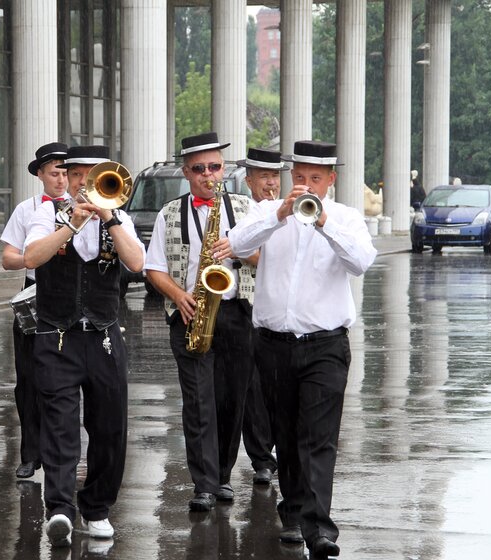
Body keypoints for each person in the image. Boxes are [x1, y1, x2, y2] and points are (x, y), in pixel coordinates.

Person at [229, 140, 376, 559]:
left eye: (316, 178)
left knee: (318, 438)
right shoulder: (267, 212)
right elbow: (238, 245)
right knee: (286, 435)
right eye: (301, 177)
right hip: (272, 345)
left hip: (326, 345)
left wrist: (325, 223)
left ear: (330, 180)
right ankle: (293, 510)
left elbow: (361, 262)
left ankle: (319, 532)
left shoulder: (345, 217)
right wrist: (278, 215)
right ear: (293, 178)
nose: (306, 184)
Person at [22, 145, 145, 547]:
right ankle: (59, 509)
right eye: (78, 176)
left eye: (95, 176)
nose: (86, 184)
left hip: (104, 337)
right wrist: (71, 224)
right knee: (59, 427)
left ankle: (96, 509)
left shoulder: (119, 217)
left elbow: (138, 263)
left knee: (110, 428)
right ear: (69, 178)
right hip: (56, 335)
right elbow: (31, 258)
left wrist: (108, 216)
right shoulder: (47, 214)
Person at [143, 132, 256, 512]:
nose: (208, 175)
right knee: (198, 403)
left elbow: (267, 256)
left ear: (223, 169)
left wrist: (239, 248)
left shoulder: (245, 206)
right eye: (199, 169)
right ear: (185, 172)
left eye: (215, 167)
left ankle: (223, 475)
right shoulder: (170, 213)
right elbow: (153, 267)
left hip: (237, 311)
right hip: (189, 313)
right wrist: (177, 295)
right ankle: (204, 484)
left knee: (230, 400)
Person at [0, 142, 69, 479]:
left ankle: (61, 452)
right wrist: (33, 256)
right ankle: (30, 455)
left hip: (70, 295)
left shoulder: (83, 205)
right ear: (40, 175)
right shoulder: (26, 210)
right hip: (33, 292)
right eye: (54, 173)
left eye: (66, 172)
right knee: (28, 378)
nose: (61, 179)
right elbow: (7, 258)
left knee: (66, 379)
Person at [235, 147, 287, 486]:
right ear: (249, 179)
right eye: (263, 177)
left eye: (274, 177)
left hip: (281, 307)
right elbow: (245, 250)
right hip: (245, 304)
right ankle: (261, 458)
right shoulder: (241, 209)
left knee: (281, 384)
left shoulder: (294, 210)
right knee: (252, 387)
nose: (270, 183)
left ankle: (280, 450)